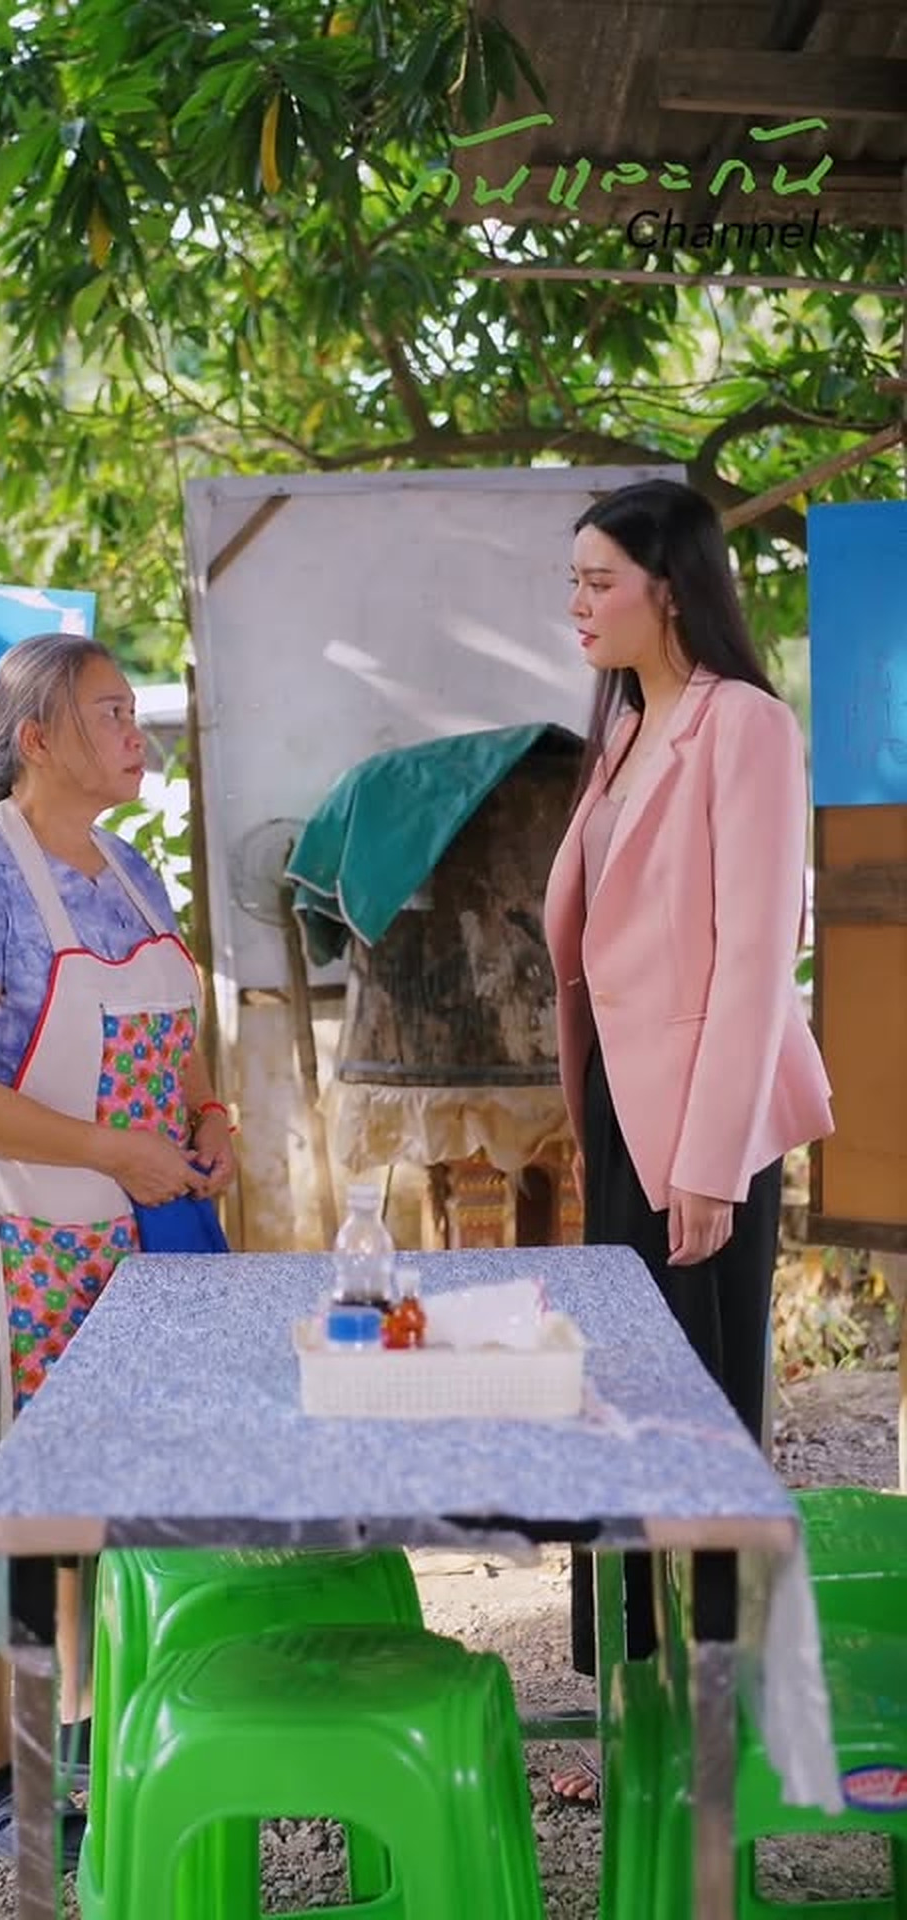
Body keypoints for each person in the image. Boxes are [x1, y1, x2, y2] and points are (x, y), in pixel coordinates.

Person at [0, 633, 236, 1862]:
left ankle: (87, 1727)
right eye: (110, 714)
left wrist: (204, 1118)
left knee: (113, 1483)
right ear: (35, 739)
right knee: (0, 1495)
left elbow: (175, 1038)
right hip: (6, 1236)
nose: (136, 734)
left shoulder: (131, 873)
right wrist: (113, 1151)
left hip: (134, 1228)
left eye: (134, 711)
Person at [541, 479, 833, 1803]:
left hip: (705, 1129)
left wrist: (711, 1160)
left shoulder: (745, 727)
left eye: (599, 579)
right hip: (622, 1110)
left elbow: (758, 957)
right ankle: (625, 1706)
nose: (578, 601)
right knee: (612, 1408)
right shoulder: (622, 731)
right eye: (574, 578)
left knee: (701, 1419)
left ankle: (712, 1725)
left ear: (672, 588)